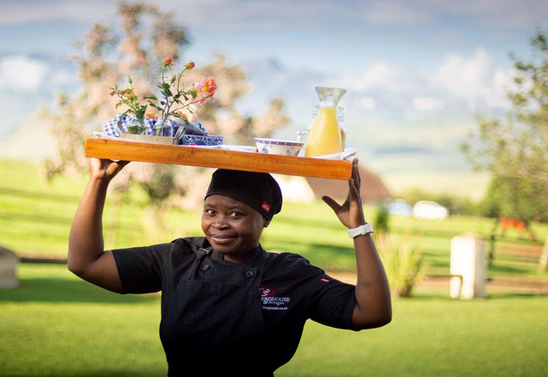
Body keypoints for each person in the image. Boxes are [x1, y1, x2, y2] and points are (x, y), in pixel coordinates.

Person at [69, 157, 391, 376]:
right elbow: (86, 263)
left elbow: (372, 312)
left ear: (264, 219)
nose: (218, 224)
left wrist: (358, 227)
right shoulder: (178, 258)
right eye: (210, 211)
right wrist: (98, 181)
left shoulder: (290, 275)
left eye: (235, 214)